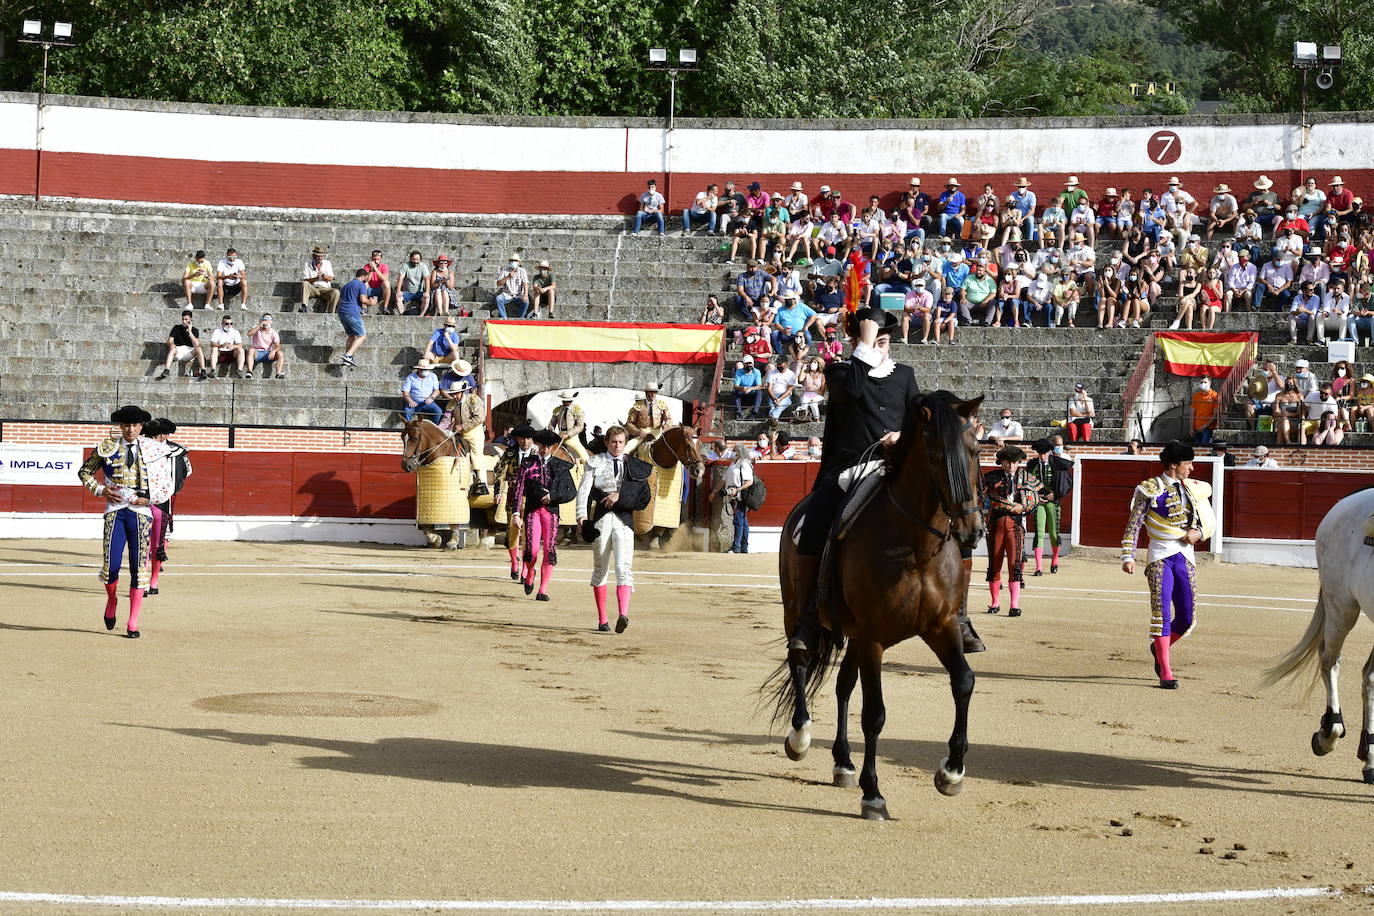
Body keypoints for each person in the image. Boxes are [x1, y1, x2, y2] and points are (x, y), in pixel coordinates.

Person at [789, 306, 920, 655]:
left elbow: (916, 421)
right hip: (848, 468)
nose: (880, 347)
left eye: (885, 341)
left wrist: (902, 436)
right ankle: (807, 617)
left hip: (893, 466)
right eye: (873, 340)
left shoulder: (905, 374)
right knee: (815, 518)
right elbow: (851, 392)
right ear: (857, 341)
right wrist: (864, 346)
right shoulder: (840, 372)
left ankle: (957, 612)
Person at [1120, 440, 1216, 689]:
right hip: (1160, 556)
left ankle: (1158, 648)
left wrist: (1199, 532)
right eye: (1188, 464)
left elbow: (1204, 520)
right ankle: (1165, 670)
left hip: (1186, 556)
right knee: (1161, 613)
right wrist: (1128, 556)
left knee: (1186, 618)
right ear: (1174, 465)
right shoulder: (1148, 489)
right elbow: (1134, 524)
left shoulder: (1192, 489)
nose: (1192, 469)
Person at [77, 405, 173, 638]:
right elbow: (84, 472)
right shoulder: (107, 447)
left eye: (135, 425)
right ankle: (112, 600)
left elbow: (166, 483)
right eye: (126, 425)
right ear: (120, 427)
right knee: (111, 567)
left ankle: (132, 622)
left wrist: (149, 498)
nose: (130, 429)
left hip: (141, 514)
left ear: (141, 427)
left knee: (138, 569)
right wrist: (101, 489)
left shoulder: (154, 449)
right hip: (115, 510)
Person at [576, 425, 653, 632]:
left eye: (620, 442)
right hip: (601, 518)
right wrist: (581, 516)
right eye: (613, 442)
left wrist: (621, 496)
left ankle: (623, 615)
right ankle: (602, 620)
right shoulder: (596, 462)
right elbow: (583, 491)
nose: (617, 446)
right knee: (600, 569)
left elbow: (643, 495)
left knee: (623, 568)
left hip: (624, 520)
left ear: (625, 443)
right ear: (607, 443)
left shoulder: (633, 465)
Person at [508, 429, 576, 600]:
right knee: (532, 549)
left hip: (551, 512)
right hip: (532, 510)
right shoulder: (528, 463)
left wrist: (553, 496)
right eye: (542, 446)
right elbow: (519, 489)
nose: (545, 450)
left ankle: (543, 589)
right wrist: (516, 512)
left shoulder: (560, 465)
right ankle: (530, 573)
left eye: (548, 446)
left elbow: (570, 491)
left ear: (552, 447)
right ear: (537, 445)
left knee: (549, 550)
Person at [983, 446, 1037, 617]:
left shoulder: (1027, 478)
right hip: (995, 525)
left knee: (1015, 565)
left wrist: (1024, 507)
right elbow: (992, 500)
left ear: (1018, 463)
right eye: (1008, 462)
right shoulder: (992, 478)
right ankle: (995, 603)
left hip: (1015, 527)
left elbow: (1033, 502)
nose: (1011, 466)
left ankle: (1014, 605)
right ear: (1002, 462)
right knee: (994, 564)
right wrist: (1016, 507)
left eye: (1014, 462)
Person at [140, 417, 191, 597]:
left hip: (144, 500)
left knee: (144, 543)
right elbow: (187, 472)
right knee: (158, 541)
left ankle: (145, 582)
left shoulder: (140, 450)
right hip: (166, 500)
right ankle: (152, 583)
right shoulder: (179, 451)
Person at [493, 424, 537, 581]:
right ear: (518, 439)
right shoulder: (510, 453)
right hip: (514, 495)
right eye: (522, 438)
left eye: (528, 438)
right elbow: (499, 472)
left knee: (529, 533)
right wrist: (497, 492)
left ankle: (525, 567)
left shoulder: (537, 454)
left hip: (532, 497)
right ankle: (514, 562)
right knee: (513, 531)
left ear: (532, 439)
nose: (525, 442)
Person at [1025, 438, 1073, 577]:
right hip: (1039, 501)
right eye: (1040, 453)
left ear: (1049, 452)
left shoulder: (1057, 464)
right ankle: (1039, 567)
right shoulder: (1032, 465)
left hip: (1053, 501)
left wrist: (1055, 495)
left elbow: (1067, 483)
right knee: (1039, 533)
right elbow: (1027, 482)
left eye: (1044, 453)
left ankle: (1054, 560)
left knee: (1053, 533)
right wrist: (1035, 496)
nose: (1042, 456)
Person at [720, 449, 756, 554]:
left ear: (740, 452)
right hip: (733, 496)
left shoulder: (744, 464)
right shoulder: (733, 464)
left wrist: (737, 489)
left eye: (735, 451)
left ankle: (736, 547)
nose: (733, 452)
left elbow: (749, 481)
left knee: (738, 521)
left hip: (740, 497)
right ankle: (743, 548)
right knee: (743, 522)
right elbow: (724, 480)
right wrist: (714, 492)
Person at [336, 269, 373, 368]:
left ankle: (347, 359)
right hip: (352, 312)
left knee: (352, 335)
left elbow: (340, 299)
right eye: (366, 278)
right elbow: (363, 300)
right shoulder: (361, 285)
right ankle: (348, 355)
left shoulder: (346, 285)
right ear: (363, 276)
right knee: (362, 335)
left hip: (341, 312)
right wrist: (372, 302)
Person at [157, 309, 208, 380]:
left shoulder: (195, 330)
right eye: (183, 319)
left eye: (186, 319)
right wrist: (171, 344)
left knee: (199, 348)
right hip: (178, 351)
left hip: (190, 352)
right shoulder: (176, 328)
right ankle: (167, 370)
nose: (184, 321)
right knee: (172, 348)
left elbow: (197, 344)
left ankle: (203, 370)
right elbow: (169, 341)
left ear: (190, 319)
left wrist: (190, 332)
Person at [624, 382, 674, 454]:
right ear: (646, 392)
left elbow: (669, 419)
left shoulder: (661, 405)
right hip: (642, 433)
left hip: (658, 433)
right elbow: (629, 423)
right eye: (651, 392)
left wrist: (666, 425)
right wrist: (637, 431)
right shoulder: (638, 406)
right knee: (626, 450)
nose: (653, 394)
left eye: (655, 392)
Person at [549, 390, 588, 464]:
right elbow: (551, 423)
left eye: (568, 401)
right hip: (559, 436)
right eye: (564, 400)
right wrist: (552, 432)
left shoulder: (577, 410)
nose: (566, 402)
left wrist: (568, 434)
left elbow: (580, 426)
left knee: (584, 457)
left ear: (571, 400)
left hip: (572, 437)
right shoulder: (558, 410)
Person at [245, 313, 286, 380]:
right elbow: (249, 334)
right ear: (262, 320)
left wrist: (274, 351)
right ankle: (249, 372)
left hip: (268, 353)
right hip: (257, 352)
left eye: (268, 319)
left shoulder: (273, 333)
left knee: (280, 353)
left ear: (271, 322)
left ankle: (278, 373)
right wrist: (259, 326)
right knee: (251, 350)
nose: (266, 321)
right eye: (265, 319)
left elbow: (278, 346)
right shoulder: (257, 329)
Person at [206, 314, 247, 378]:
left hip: (231, 353)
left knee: (241, 350)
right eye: (227, 324)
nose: (229, 325)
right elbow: (212, 343)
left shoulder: (235, 332)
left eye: (231, 323)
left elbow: (240, 345)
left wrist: (233, 346)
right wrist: (221, 345)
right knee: (214, 348)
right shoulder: (217, 331)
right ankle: (213, 370)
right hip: (221, 352)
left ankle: (239, 371)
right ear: (222, 324)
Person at [301, 245, 340, 312]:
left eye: (321, 256)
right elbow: (306, 279)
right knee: (305, 283)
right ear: (314, 256)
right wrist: (315, 278)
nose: (320, 258)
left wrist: (323, 276)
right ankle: (304, 306)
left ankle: (331, 313)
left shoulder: (327, 263)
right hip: (314, 288)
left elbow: (331, 278)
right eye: (318, 256)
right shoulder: (307, 265)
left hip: (325, 289)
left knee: (336, 292)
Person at [394, 250, 431, 315]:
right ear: (410, 258)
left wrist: (427, 292)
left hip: (419, 292)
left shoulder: (423, 266)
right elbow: (400, 278)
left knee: (427, 298)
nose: (415, 261)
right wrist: (398, 291)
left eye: (417, 259)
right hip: (407, 292)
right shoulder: (406, 265)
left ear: (420, 259)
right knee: (398, 297)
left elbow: (427, 279)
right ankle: (402, 315)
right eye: (413, 259)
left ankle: (421, 316)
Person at [1188, 377, 1221, 444]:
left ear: (1210, 383)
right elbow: (1192, 413)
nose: (1203, 384)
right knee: (1197, 449)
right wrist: (1191, 428)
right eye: (1201, 382)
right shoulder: (1196, 396)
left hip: (1208, 428)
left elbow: (1215, 414)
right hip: (1196, 428)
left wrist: (1205, 426)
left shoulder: (1215, 396)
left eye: (1205, 382)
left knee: (1205, 447)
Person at [495, 254, 530, 318]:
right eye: (512, 261)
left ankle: (520, 318)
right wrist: (507, 277)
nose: (514, 262)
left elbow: (525, 283)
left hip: (519, 295)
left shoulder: (522, 271)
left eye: (516, 261)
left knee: (526, 302)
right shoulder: (504, 270)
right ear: (509, 262)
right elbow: (498, 283)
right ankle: (504, 318)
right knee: (498, 299)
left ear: (519, 262)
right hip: (507, 294)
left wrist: (525, 295)